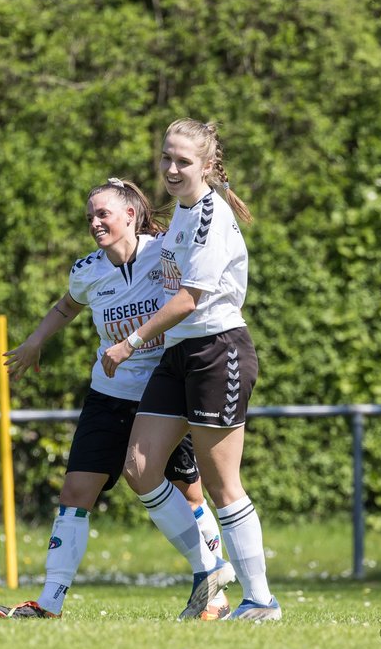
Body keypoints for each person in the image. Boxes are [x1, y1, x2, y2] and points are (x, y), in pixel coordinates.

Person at [0, 178, 231, 620]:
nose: (95, 223)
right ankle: (49, 603)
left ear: (130, 215)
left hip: (162, 394)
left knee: (190, 491)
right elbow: (68, 305)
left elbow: (191, 298)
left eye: (103, 214)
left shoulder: (165, 255)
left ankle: (214, 589)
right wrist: (34, 342)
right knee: (74, 491)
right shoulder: (87, 269)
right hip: (108, 395)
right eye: (90, 217)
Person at [101, 119, 279, 621]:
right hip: (179, 352)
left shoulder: (208, 215)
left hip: (217, 350)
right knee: (139, 467)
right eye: (166, 158)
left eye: (183, 160)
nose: (172, 168)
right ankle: (210, 566)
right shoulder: (180, 213)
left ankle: (262, 600)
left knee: (223, 486)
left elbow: (190, 297)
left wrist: (130, 342)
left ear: (206, 165)